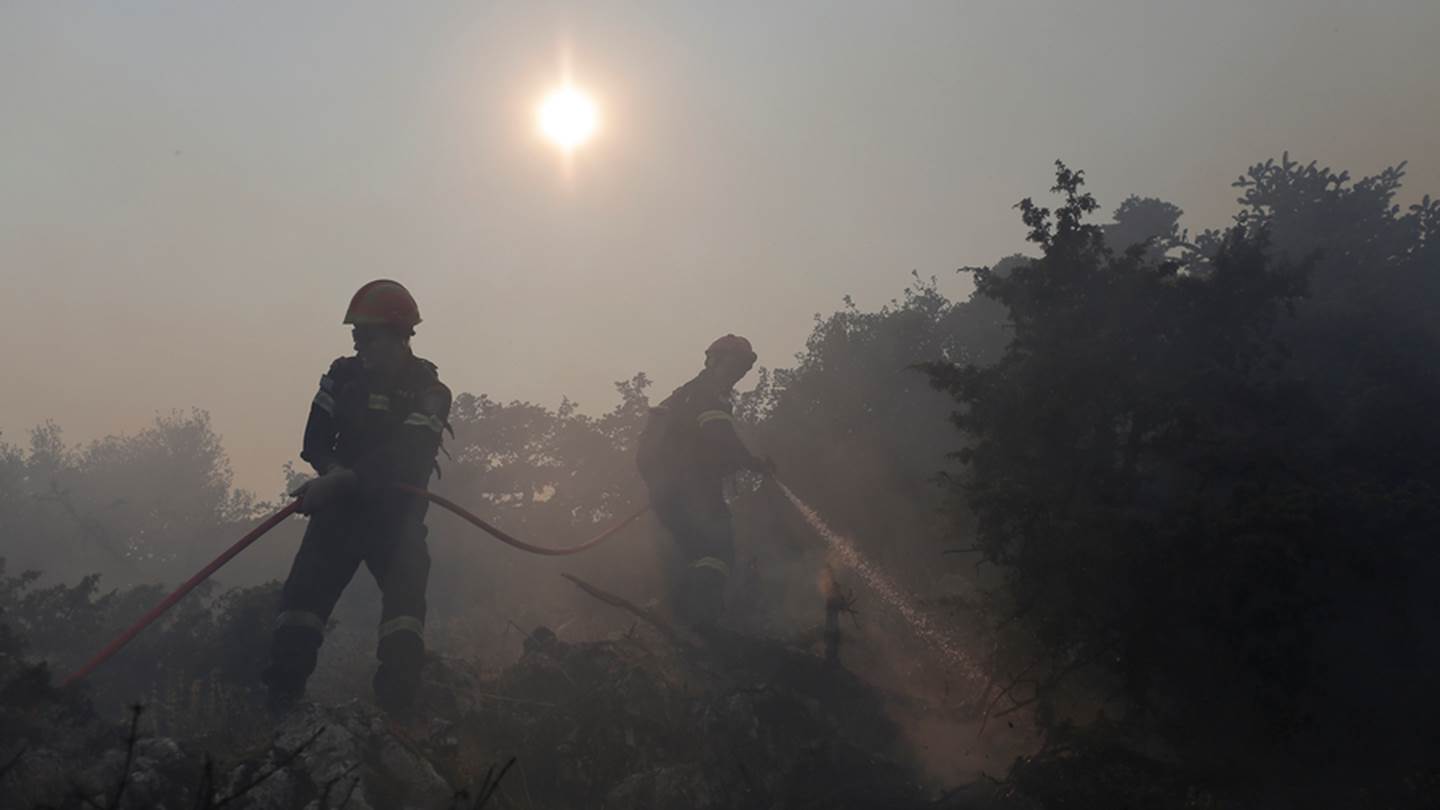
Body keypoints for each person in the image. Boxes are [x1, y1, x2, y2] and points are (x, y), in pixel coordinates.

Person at [262, 279, 451, 717]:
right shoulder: (341, 377)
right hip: (339, 515)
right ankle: (279, 712)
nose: (358, 344)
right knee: (300, 606)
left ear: (400, 334)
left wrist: (345, 478)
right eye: (355, 335)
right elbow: (315, 438)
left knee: (404, 612)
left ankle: (397, 715)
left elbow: (411, 454)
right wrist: (330, 473)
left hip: (396, 519)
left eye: (369, 336)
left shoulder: (431, 392)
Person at [636, 334, 773, 629]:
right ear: (714, 361)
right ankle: (699, 621)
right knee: (719, 550)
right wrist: (753, 463)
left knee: (697, 554)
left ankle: (677, 617)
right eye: (735, 365)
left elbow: (705, 447)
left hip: (667, 491)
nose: (738, 373)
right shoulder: (707, 392)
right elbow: (719, 436)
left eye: (744, 369)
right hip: (692, 489)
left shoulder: (684, 395)